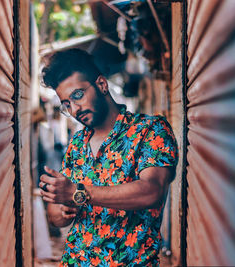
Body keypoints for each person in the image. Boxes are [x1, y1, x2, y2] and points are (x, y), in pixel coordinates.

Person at [39, 48, 178, 266]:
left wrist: (79, 193)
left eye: (77, 95)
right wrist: (62, 208)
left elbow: (152, 191)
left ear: (102, 85)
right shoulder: (76, 144)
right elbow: (55, 217)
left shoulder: (150, 130)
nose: (74, 109)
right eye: (66, 104)